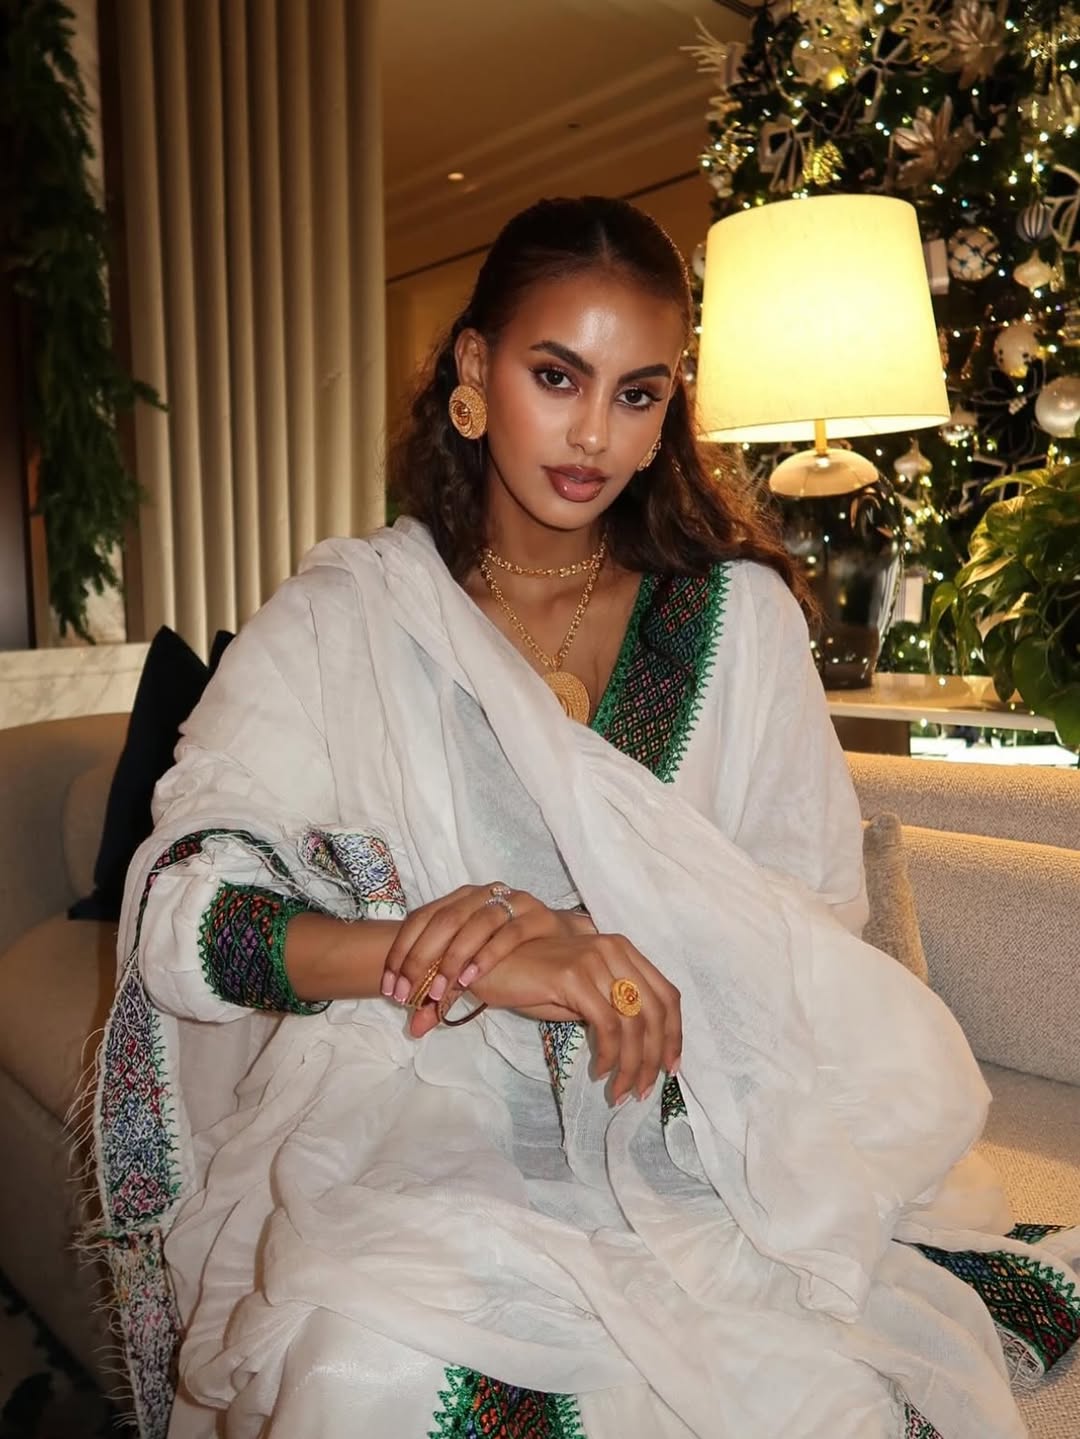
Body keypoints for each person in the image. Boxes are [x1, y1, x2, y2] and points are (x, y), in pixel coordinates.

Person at [91, 197, 1077, 1439]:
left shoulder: (740, 620)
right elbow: (186, 919)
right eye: (557, 374)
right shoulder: (354, 617)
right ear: (472, 368)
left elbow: (813, 916)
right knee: (360, 1367)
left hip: (692, 1122)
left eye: (639, 392)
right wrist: (479, 960)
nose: (594, 434)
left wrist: (591, 935)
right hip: (411, 1113)